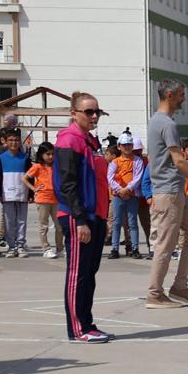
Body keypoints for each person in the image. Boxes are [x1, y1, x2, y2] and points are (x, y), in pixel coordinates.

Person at [145, 81, 188, 307]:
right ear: (169, 95)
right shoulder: (167, 124)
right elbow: (179, 160)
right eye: (181, 95)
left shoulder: (158, 121)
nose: (184, 99)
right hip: (168, 192)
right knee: (165, 245)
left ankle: (179, 287)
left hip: (175, 191)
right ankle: (155, 294)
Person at [55, 93, 113, 342]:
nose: (94, 116)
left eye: (96, 111)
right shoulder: (69, 140)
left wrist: (102, 218)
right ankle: (78, 329)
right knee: (78, 273)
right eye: (88, 112)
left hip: (95, 215)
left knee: (89, 273)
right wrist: (79, 220)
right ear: (74, 113)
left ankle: (87, 324)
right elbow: (67, 184)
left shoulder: (89, 141)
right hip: (78, 215)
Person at [106, 133, 142, 260]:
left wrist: (127, 189)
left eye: (129, 144)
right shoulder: (115, 162)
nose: (127, 147)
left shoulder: (137, 161)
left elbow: (137, 178)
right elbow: (110, 178)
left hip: (132, 196)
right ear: (119, 146)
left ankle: (135, 248)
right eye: (124, 145)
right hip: (118, 196)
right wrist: (120, 190)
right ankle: (115, 249)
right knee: (116, 223)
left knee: (132, 223)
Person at [0, 128, 30, 257]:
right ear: (5, 141)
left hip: (22, 193)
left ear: (20, 141)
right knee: (9, 221)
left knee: (22, 221)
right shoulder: (1, 158)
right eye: (10, 140)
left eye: (16, 140)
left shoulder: (25, 158)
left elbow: (30, 176)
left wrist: (31, 194)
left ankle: (20, 245)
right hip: (7, 194)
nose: (13, 143)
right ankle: (11, 246)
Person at [26, 143, 60, 259]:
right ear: (41, 154)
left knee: (59, 225)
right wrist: (34, 189)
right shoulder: (38, 167)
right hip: (43, 199)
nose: (51, 157)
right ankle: (46, 248)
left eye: (52, 154)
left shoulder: (56, 166)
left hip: (56, 199)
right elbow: (25, 178)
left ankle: (60, 248)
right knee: (43, 225)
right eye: (48, 154)